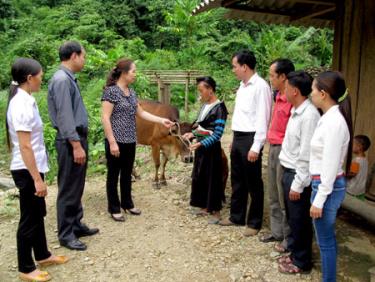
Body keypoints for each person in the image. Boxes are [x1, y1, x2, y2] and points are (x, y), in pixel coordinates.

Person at [6, 58, 68, 282]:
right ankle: (25, 267)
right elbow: (24, 146)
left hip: (32, 167)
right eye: (40, 75)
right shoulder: (20, 104)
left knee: (38, 213)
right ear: (29, 78)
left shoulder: (26, 99)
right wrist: (37, 180)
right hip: (26, 170)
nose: (42, 78)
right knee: (29, 218)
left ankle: (42, 254)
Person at [101, 59, 174, 222]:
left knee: (126, 173)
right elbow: (105, 118)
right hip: (116, 141)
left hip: (130, 140)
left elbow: (141, 113)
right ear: (124, 73)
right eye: (133, 71)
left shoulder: (131, 92)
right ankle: (114, 208)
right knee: (113, 175)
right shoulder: (111, 92)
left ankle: (127, 203)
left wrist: (162, 120)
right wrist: (112, 141)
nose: (135, 74)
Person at [48, 41, 99, 251]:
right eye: (83, 56)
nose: (84, 60)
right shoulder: (61, 80)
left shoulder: (67, 79)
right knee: (69, 187)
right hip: (71, 141)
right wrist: (76, 145)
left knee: (77, 185)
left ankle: (76, 224)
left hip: (76, 139)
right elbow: (65, 116)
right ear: (74, 56)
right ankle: (66, 233)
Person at [219, 50, 272, 237]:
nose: (233, 70)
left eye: (234, 66)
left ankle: (254, 222)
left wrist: (256, 146)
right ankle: (236, 216)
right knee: (237, 179)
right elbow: (242, 116)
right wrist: (234, 139)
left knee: (253, 182)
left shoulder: (261, 86)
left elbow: (263, 118)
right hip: (239, 136)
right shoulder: (242, 86)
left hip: (251, 137)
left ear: (244, 67)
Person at [309, 71, 353, 282]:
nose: (311, 94)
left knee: (325, 241)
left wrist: (319, 198)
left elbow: (330, 164)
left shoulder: (334, 122)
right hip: (323, 184)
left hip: (327, 186)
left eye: (313, 90)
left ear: (324, 94)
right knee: (324, 238)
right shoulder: (329, 118)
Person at [277, 71, 320, 274]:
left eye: (286, 86)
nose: (283, 90)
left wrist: (298, 182)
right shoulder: (297, 111)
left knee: (300, 219)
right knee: (293, 218)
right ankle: (295, 253)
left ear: (294, 91)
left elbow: (306, 154)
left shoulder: (309, 116)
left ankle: (302, 262)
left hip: (297, 174)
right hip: (288, 170)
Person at [182, 77, 228, 224]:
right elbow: (202, 128)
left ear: (210, 90)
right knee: (200, 175)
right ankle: (204, 206)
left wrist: (201, 144)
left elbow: (217, 134)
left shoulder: (220, 108)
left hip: (212, 149)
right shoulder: (205, 106)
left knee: (212, 178)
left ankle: (216, 211)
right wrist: (193, 134)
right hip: (201, 147)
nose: (200, 94)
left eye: (201, 91)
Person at [260, 59, 294, 249]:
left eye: (272, 75)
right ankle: (276, 232)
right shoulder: (277, 96)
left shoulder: (292, 99)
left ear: (283, 77)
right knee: (272, 192)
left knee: (284, 197)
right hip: (272, 147)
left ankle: (288, 238)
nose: (270, 79)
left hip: (284, 149)